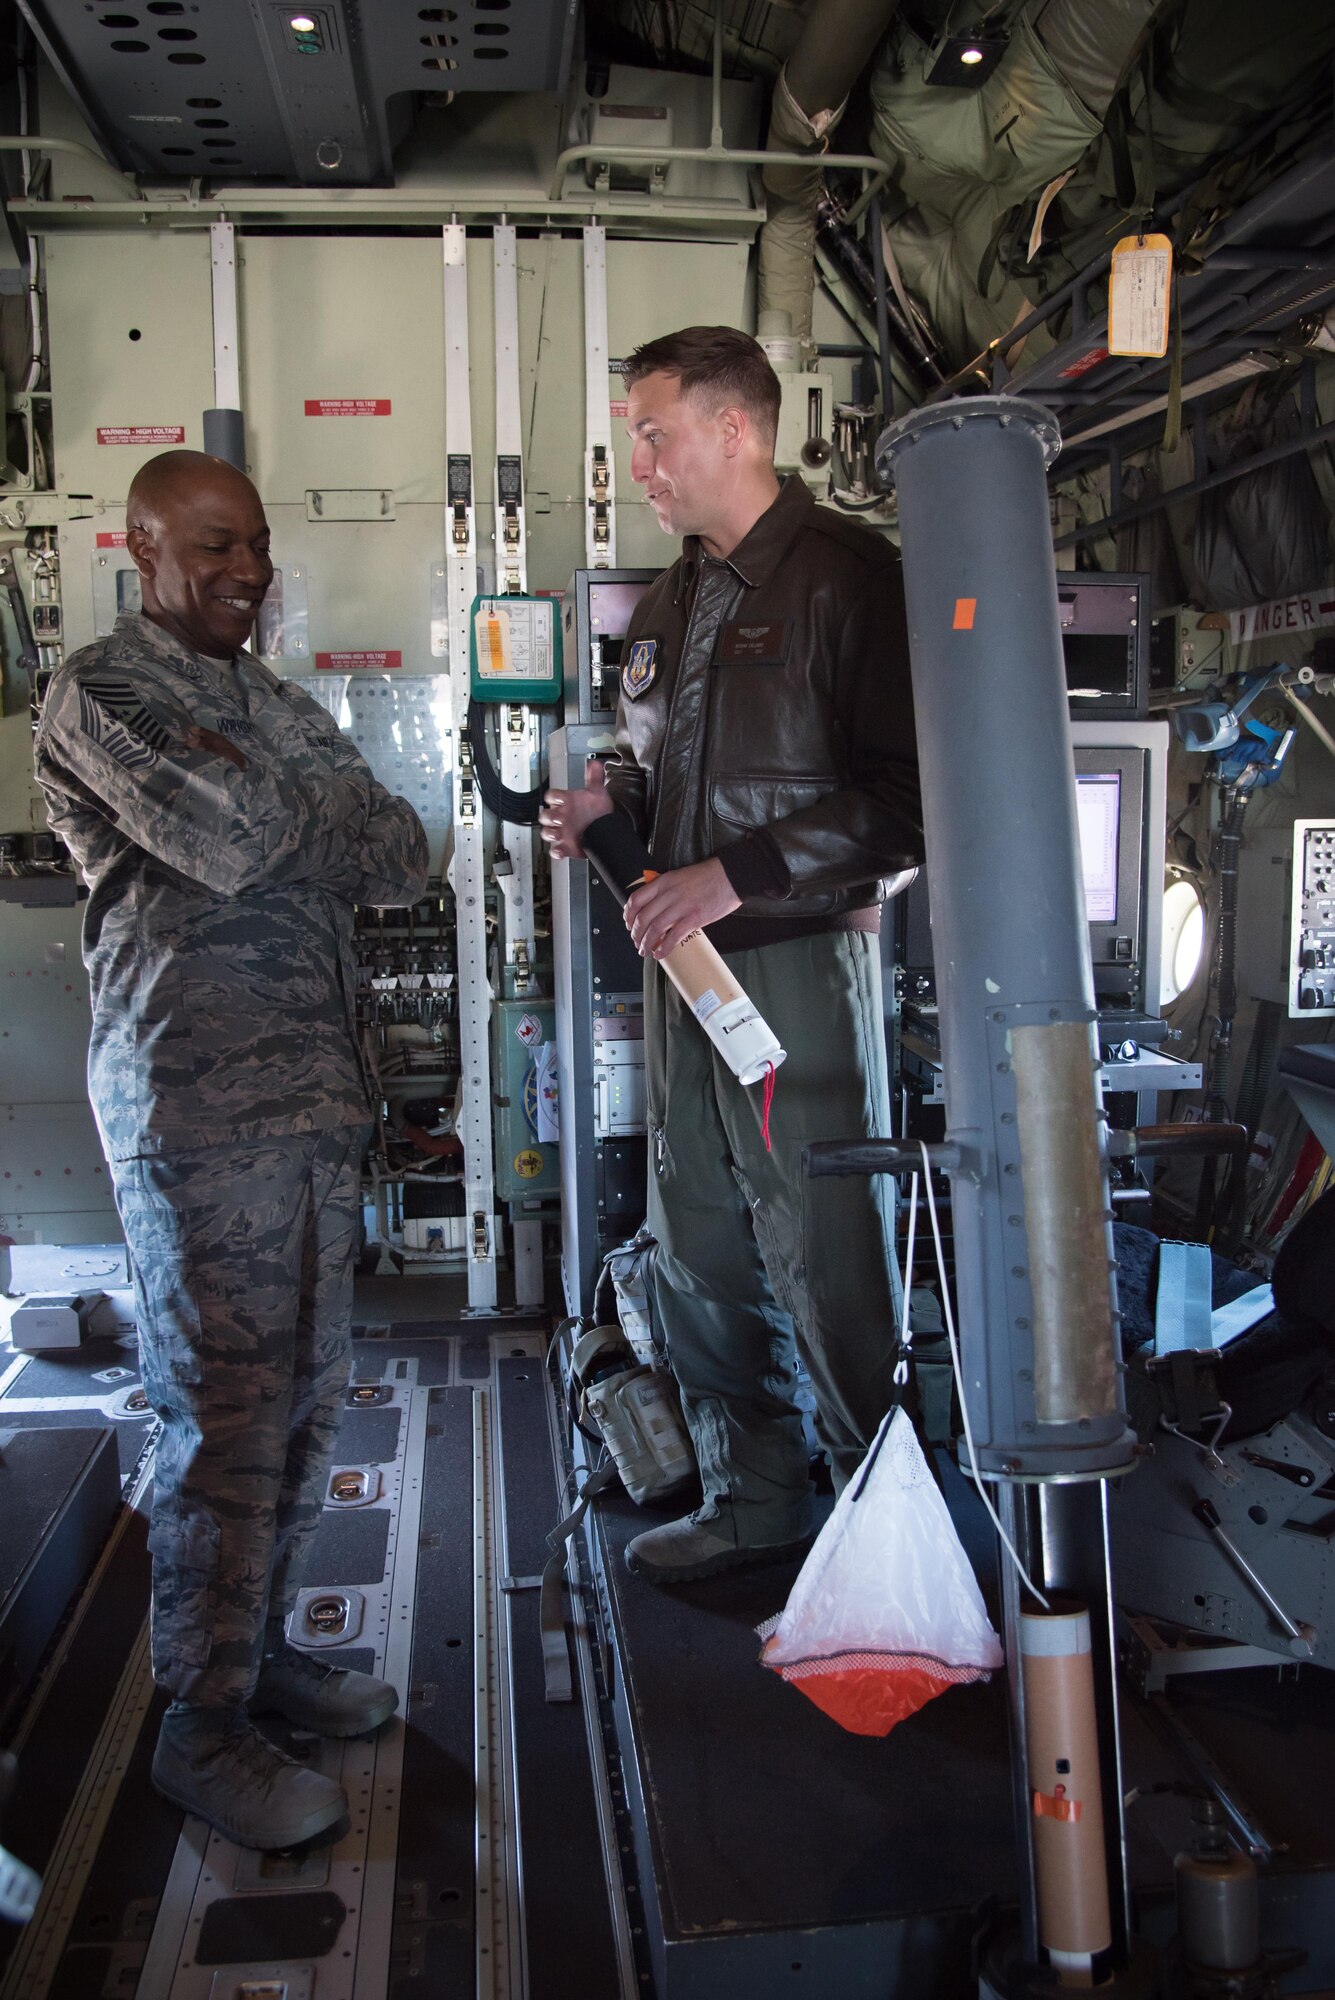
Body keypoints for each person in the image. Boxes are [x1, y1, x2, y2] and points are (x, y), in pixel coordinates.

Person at [34, 450, 429, 1850]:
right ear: (138, 545)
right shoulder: (105, 690)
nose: (244, 571)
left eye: (254, 545)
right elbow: (243, 832)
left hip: (315, 1107)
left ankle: (254, 1664)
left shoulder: (263, 697)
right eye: (212, 546)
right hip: (196, 1120)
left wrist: (300, 797)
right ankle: (199, 1731)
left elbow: (406, 850)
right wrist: (304, 798)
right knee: (219, 1425)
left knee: (304, 1412)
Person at [540, 327, 923, 1584]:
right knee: (700, 1236)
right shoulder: (671, 599)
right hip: (687, 980)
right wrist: (609, 817)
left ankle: (889, 1524)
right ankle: (756, 1501)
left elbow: (911, 800)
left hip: (802, 963)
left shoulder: (849, 578)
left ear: (735, 428)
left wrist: (735, 875)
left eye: (652, 435)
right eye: (633, 440)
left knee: (831, 1250)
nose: (636, 464)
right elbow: (660, 783)